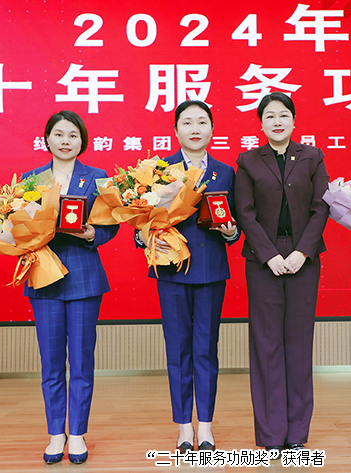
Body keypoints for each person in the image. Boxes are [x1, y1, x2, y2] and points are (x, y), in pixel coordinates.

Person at [135, 100, 239, 452]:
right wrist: (143, 235)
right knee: (178, 349)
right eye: (187, 122)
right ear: (176, 130)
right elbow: (141, 220)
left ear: (212, 129)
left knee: (206, 350)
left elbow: (236, 226)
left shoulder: (226, 172)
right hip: (170, 269)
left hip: (210, 270)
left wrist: (230, 231)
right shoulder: (159, 170)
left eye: (202, 122)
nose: (195, 128)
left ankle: (205, 427)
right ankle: (183, 427)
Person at [233, 92, 329, 453]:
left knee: (299, 346)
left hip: (305, 259)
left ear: (294, 121)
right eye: (270, 116)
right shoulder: (248, 160)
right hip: (263, 261)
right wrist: (269, 255)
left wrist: (303, 251)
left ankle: (296, 436)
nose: (277, 121)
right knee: (266, 346)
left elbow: (321, 208)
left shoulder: (313, 156)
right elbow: (244, 212)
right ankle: (271, 436)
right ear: (261, 123)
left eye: (284, 115)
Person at [23, 110, 119, 465]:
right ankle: (55, 434)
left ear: (83, 141)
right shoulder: (30, 180)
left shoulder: (96, 178)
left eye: (73, 135)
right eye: (59, 134)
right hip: (45, 278)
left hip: (84, 278)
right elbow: (18, 226)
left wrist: (94, 233)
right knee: (51, 362)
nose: (66, 141)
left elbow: (112, 224)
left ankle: (77, 433)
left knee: (81, 361)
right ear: (47, 139)